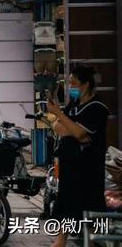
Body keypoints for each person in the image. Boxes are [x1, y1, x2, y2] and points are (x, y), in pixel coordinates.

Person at [47, 65, 109, 247]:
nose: (70, 87)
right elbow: (58, 127)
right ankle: (60, 243)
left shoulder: (97, 108)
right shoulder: (74, 105)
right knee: (67, 209)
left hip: (88, 171)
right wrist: (72, 129)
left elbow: (81, 133)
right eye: (69, 83)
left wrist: (61, 116)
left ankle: (97, 243)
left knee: (92, 211)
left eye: (74, 83)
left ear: (86, 84)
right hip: (69, 168)